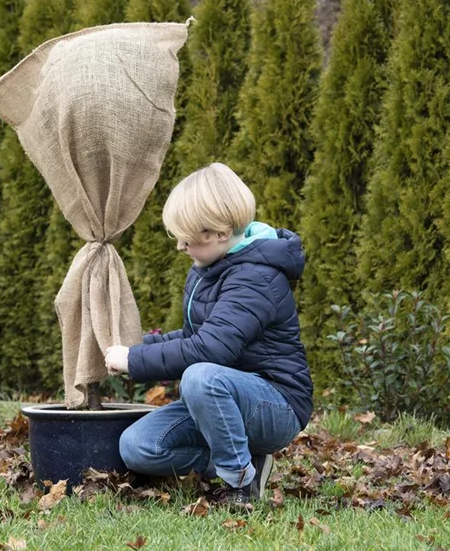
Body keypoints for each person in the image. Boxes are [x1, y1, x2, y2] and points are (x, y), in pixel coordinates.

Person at [105, 163, 313, 507]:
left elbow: (209, 350)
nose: (180, 247)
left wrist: (134, 360)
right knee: (138, 446)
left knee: (199, 377)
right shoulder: (210, 267)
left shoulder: (255, 278)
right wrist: (138, 346)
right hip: (222, 398)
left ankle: (241, 485)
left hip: (276, 404)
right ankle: (246, 463)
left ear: (220, 233)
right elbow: (194, 336)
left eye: (188, 240)